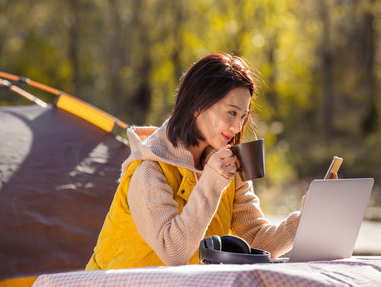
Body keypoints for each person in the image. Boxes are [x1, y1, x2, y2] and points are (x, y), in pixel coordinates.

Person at [85, 53, 308, 270]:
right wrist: (211, 183)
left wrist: (307, 219)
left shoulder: (228, 167)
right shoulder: (149, 171)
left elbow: (258, 242)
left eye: (243, 116)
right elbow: (173, 252)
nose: (238, 127)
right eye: (231, 113)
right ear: (197, 106)